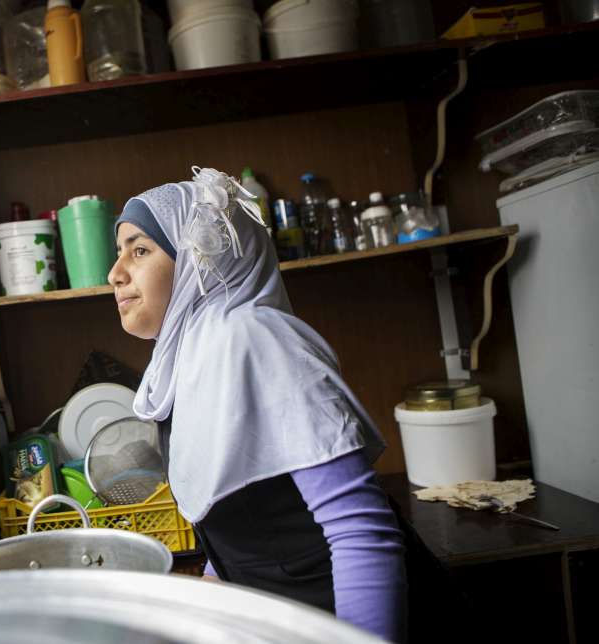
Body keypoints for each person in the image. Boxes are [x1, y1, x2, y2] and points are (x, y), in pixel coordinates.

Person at [107, 167, 408, 643]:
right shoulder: (193, 362)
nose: (115, 273)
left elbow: (359, 532)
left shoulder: (258, 340)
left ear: (198, 262)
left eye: (139, 250)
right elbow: (242, 531)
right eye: (118, 252)